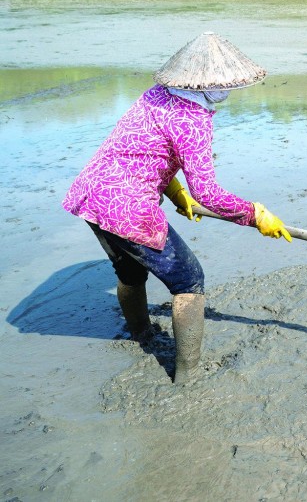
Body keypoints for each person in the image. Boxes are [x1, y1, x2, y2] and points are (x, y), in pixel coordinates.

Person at [62, 32, 291, 384]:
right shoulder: (193, 120)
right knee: (188, 281)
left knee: (130, 271)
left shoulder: (155, 96)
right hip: (127, 209)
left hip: (93, 196)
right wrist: (255, 215)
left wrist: (176, 194)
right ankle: (188, 376)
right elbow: (210, 193)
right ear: (210, 85)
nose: (227, 91)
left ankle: (140, 335)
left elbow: (145, 152)